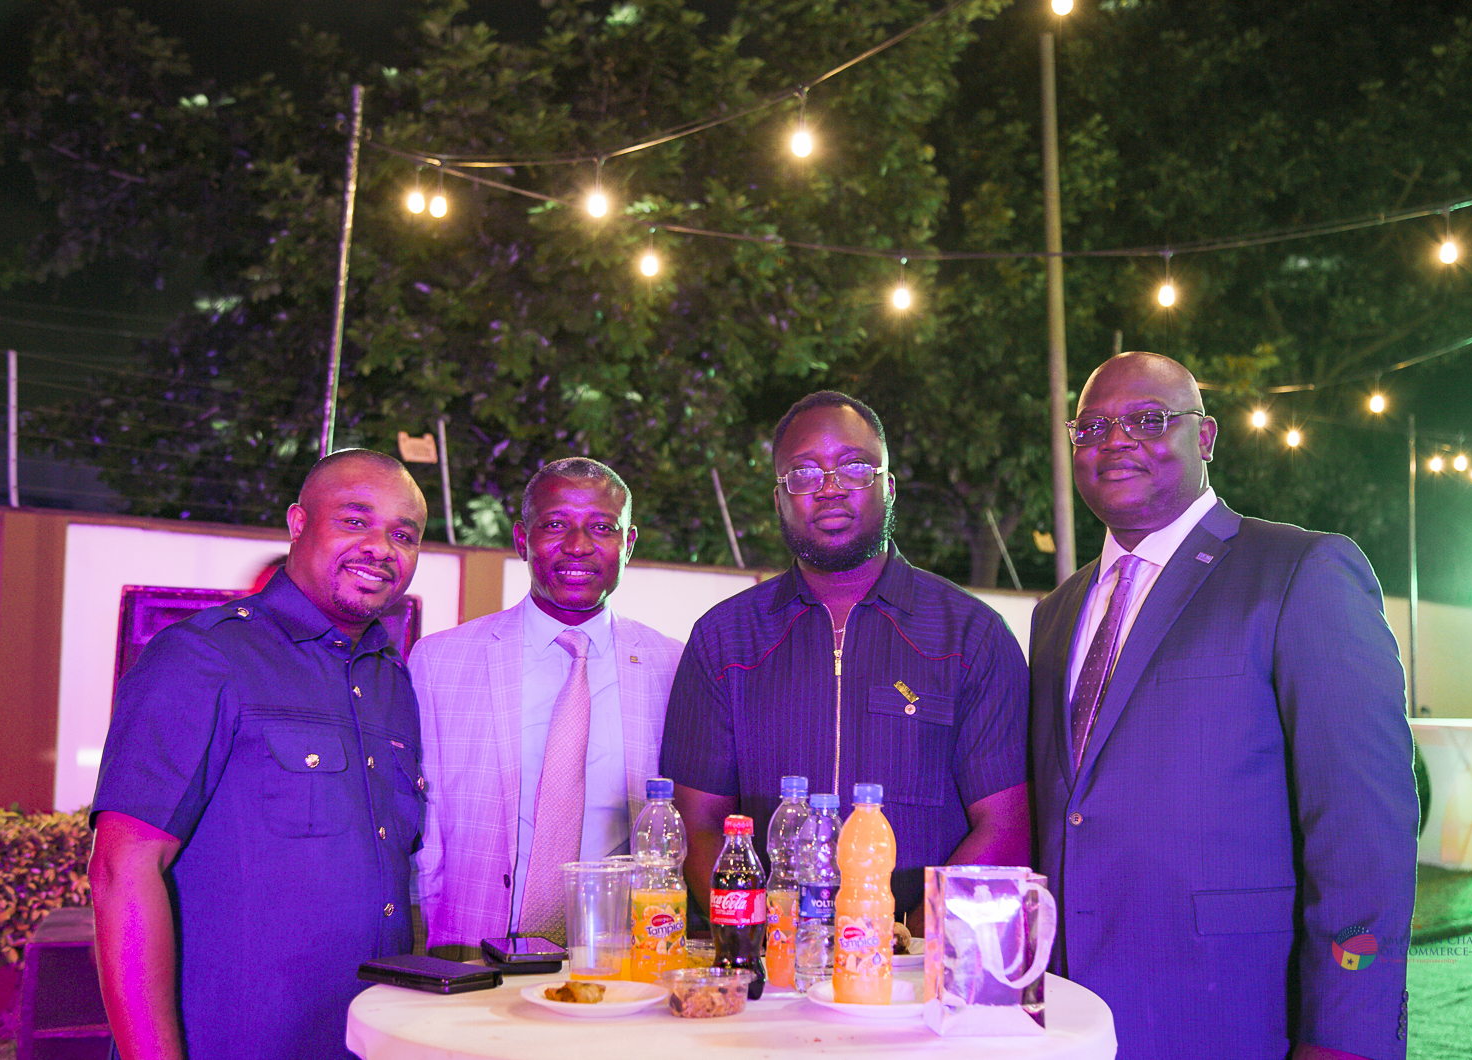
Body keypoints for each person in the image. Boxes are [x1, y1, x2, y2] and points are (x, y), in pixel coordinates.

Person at [1028, 352, 1416, 1060]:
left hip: (1232, 1014)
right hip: (1068, 1015)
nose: (1116, 442)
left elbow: (1363, 828)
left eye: (1149, 420)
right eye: (1092, 428)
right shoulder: (1056, 612)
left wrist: (1346, 1037)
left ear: (1204, 437)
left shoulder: (1301, 573)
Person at [89, 449, 430, 1060]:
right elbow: (122, 870)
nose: (381, 547)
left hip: (368, 1040)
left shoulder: (392, 679)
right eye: (355, 521)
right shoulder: (203, 656)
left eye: (403, 534)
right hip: (233, 1041)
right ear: (299, 522)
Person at [661, 391, 1031, 925]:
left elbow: (1005, 828)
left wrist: (905, 947)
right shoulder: (725, 639)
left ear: (889, 487)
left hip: (919, 962)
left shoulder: (972, 636)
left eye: (854, 466)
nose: (830, 487)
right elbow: (697, 824)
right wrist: (758, 939)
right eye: (804, 472)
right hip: (770, 961)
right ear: (779, 499)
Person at [412, 457, 683, 951]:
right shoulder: (440, 661)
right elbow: (427, 830)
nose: (578, 545)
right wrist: (438, 945)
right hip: (472, 952)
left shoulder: (673, 664)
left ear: (628, 544)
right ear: (522, 540)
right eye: (555, 524)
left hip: (620, 960)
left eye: (602, 527)